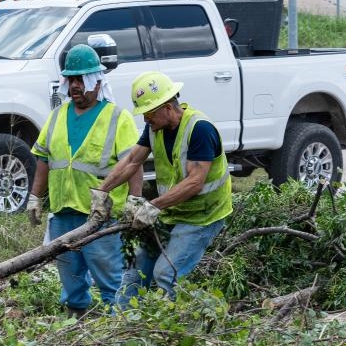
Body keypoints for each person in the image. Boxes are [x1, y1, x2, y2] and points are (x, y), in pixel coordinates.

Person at [92, 71, 232, 307]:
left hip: (202, 216)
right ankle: (121, 325)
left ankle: (172, 329)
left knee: (166, 274)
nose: (146, 119)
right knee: (135, 272)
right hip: (173, 212)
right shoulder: (154, 128)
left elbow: (195, 182)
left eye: (149, 113)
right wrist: (102, 191)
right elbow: (132, 161)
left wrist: (152, 206)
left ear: (167, 107)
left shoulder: (200, 129)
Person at [26, 44, 141, 316]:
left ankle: (118, 323)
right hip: (64, 212)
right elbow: (44, 160)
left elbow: (133, 163)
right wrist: (35, 197)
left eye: (81, 80)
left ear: (96, 81)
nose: (76, 86)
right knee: (70, 275)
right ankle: (76, 320)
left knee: (108, 274)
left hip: (100, 214)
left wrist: (135, 200)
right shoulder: (56, 117)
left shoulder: (116, 117)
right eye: (72, 80)